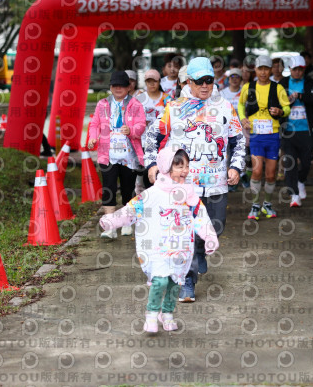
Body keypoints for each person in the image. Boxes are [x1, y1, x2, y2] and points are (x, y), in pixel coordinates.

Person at [143, 57, 245, 302]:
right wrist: (152, 164)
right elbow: (152, 138)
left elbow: (238, 140)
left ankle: (199, 251)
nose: (205, 85)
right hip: (184, 185)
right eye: (200, 81)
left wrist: (235, 167)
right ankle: (187, 282)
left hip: (216, 183)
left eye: (209, 80)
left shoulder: (224, 106)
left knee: (215, 228)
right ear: (189, 81)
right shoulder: (175, 107)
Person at [99, 147, 219, 333]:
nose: (185, 171)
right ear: (166, 167)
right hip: (158, 248)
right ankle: (152, 314)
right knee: (160, 281)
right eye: (179, 166)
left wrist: (209, 236)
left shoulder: (189, 195)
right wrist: (111, 220)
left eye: (187, 166)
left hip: (181, 247)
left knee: (175, 282)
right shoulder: (152, 194)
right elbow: (132, 210)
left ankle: (167, 314)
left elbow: (200, 216)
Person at [87, 71, 146, 239]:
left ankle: (127, 222)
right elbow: (94, 124)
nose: (118, 89)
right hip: (108, 154)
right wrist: (92, 137)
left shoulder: (135, 104)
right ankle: (110, 226)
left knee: (128, 189)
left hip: (129, 155)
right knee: (109, 188)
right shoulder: (103, 104)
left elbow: (142, 124)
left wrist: (131, 130)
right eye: (115, 86)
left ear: (128, 87)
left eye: (122, 86)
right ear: (111, 87)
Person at [238, 55, 291, 219]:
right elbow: (241, 104)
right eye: (260, 69)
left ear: (271, 70)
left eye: (266, 69)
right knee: (256, 170)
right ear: (255, 69)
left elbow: (287, 108)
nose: (263, 72)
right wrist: (243, 118)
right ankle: (255, 205)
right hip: (256, 135)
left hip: (272, 134)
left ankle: (267, 204)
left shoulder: (278, 88)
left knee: (270, 174)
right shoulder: (248, 87)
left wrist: (280, 111)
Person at [279, 55, 313, 207]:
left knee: (307, 161)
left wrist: (300, 96)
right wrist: (288, 100)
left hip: (306, 130)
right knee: (290, 162)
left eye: (300, 69)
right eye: (295, 69)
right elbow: (276, 102)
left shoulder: (311, 83)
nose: (297, 72)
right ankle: (294, 194)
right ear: (290, 69)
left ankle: (301, 180)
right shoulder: (282, 84)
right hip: (288, 130)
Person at [135, 69, 170, 190]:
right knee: (145, 170)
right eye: (149, 81)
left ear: (159, 81)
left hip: (161, 141)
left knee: (160, 169)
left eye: (154, 81)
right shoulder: (139, 98)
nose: (151, 84)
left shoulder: (167, 99)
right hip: (143, 140)